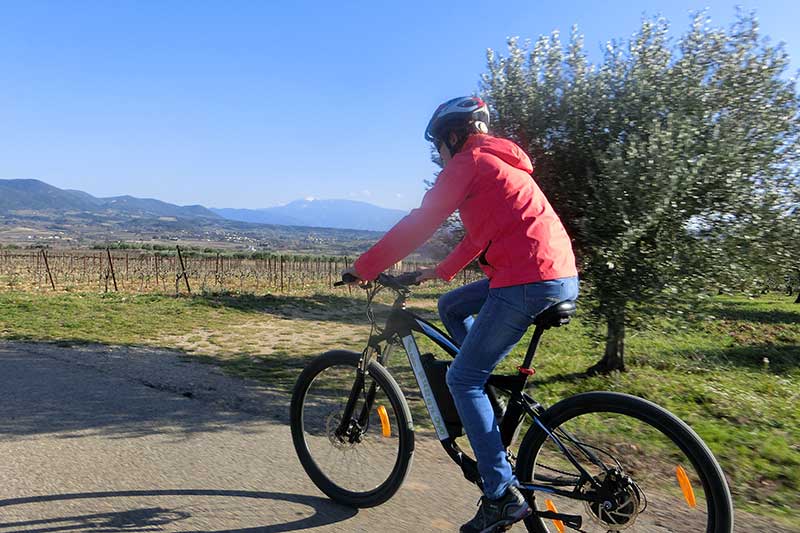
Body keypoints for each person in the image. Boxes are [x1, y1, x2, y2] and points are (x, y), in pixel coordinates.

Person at [343, 96, 579, 533]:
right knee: (451, 306)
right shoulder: (498, 164)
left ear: (454, 136)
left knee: (461, 379)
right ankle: (483, 395)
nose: (440, 155)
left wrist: (364, 268)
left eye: (439, 145)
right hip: (551, 275)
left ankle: (500, 496)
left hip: (526, 281)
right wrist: (438, 272)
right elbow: (481, 236)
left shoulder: (468, 162)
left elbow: (421, 222)